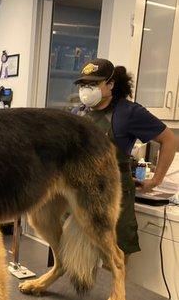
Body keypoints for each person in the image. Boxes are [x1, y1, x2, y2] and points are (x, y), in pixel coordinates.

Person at [73, 58, 177, 261]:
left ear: (110, 84)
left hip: (115, 192)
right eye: (84, 84)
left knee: (113, 254)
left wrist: (156, 180)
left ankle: (115, 292)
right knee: (79, 252)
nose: (87, 89)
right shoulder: (78, 113)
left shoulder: (128, 112)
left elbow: (169, 140)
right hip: (82, 192)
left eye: (93, 84)